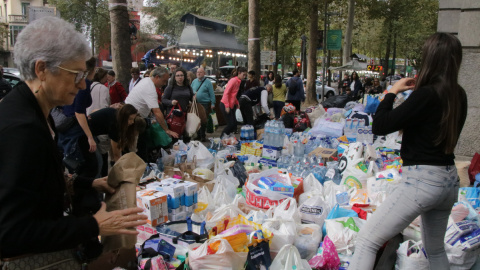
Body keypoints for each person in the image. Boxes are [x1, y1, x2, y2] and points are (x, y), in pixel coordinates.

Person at [0, 16, 147, 267]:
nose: (82, 85)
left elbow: (38, 181)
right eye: (76, 74)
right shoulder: (22, 128)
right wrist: (95, 225)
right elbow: (10, 235)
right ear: (41, 69)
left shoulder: (37, 114)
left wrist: (89, 183)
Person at [350, 33, 468, 269]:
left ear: (429, 58)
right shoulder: (459, 95)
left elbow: (381, 125)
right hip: (448, 181)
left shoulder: (427, 95)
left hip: (422, 181)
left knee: (366, 241)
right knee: (435, 251)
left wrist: (391, 92)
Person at [126, 67, 178, 161]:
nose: (164, 84)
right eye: (164, 81)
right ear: (157, 77)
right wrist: (167, 130)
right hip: (133, 119)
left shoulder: (146, 80)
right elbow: (157, 111)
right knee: (137, 148)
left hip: (136, 116)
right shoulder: (150, 88)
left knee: (141, 145)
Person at [58, 57, 98, 178]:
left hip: (67, 126)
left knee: (74, 164)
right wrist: (90, 137)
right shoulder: (83, 84)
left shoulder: (73, 82)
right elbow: (79, 112)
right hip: (75, 130)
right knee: (86, 166)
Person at [219, 67, 247, 137]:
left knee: (233, 124)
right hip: (225, 104)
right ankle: (222, 138)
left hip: (230, 104)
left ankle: (227, 138)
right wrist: (227, 106)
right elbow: (226, 93)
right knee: (231, 124)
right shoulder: (233, 81)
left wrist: (237, 103)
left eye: (245, 75)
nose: (244, 77)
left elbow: (233, 95)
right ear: (239, 73)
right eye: (243, 75)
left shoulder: (238, 81)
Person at [192, 67, 215, 142]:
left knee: (203, 120)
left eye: (200, 72)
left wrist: (213, 103)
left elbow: (212, 93)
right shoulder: (194, 81)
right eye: (197, 72)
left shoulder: (208, 82)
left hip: (205, 104)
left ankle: (203, 136)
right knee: (196, 120)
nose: (198, 73)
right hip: (196, 104)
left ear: (204, 73)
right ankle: (198, 135)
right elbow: (191, 90)